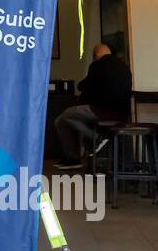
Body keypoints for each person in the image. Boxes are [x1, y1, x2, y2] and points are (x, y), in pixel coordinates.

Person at [54, 42, 132, 170]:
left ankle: (76, 156)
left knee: (63, 118)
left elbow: (84, 86)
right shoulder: (124, 66)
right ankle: (98, 141)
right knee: (75, 115)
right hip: (123, 114)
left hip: (101, 110)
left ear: (96, 55)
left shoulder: (97, 65)